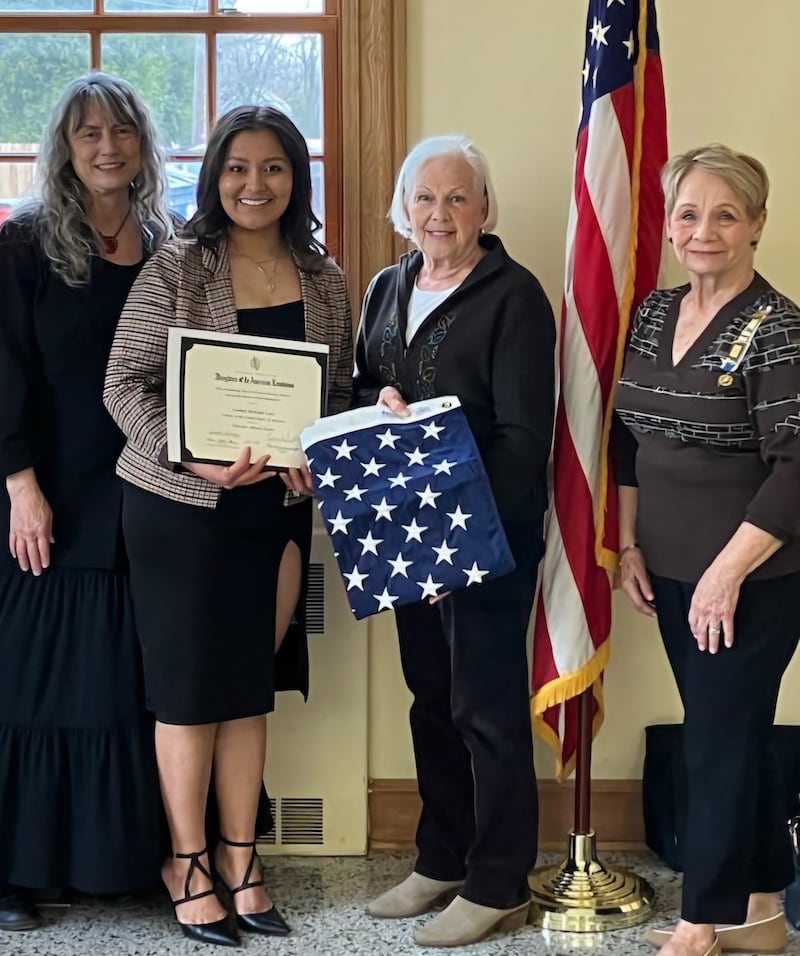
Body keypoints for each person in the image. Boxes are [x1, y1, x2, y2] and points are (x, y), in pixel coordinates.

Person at [104, 105, 353, 947]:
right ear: (214, 175)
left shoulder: (327, 279)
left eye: (274, 167)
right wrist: (189, 457)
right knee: (186, 692)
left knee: (249, 688)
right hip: (179, 510)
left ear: (296, 179)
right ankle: (186, 860)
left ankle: (242, 860)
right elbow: (123, 384)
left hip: (276, 513)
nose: (256, 184)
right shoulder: (177, 266)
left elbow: (339, 397)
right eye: (239, 167)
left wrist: (316, 452)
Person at [354, 135, 555, 948]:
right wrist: (381, 394)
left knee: (489, 713)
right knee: (431, 702)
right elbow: (363, 386)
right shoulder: (384, 285)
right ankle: (440, 858)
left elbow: (520, 438)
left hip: (484, 546)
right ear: (403, 209)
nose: (440, 213)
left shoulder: (516, 297)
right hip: (401, 539)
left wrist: (455, 551)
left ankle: (499, 881)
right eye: (425, 198)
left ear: (485, 209)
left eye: (458, 198)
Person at [615, 144, 800, 956]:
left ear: (757, 223)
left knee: (718, 742)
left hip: (753, 579)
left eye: (725, 213)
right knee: (736, 732)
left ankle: (701, 922)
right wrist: (626, 542)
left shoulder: (781, 329)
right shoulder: (654, 313)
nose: (703, 230)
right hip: (669, 568)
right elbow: (629, 435)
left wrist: (726, 576)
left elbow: (798, 465)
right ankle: (760, 913)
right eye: (689, 213)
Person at [0, 72, 174, 931]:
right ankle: (11, 872)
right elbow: (5, 371)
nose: (108, 147)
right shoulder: (24, 244)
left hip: (145, 494)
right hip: (48, 493)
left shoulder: (171, 244)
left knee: (119, 688)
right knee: (29, 692)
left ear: (144, 143)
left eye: (122, 131)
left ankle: (112, 866)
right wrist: (19, 485)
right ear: (64, 151)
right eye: (88, 134)